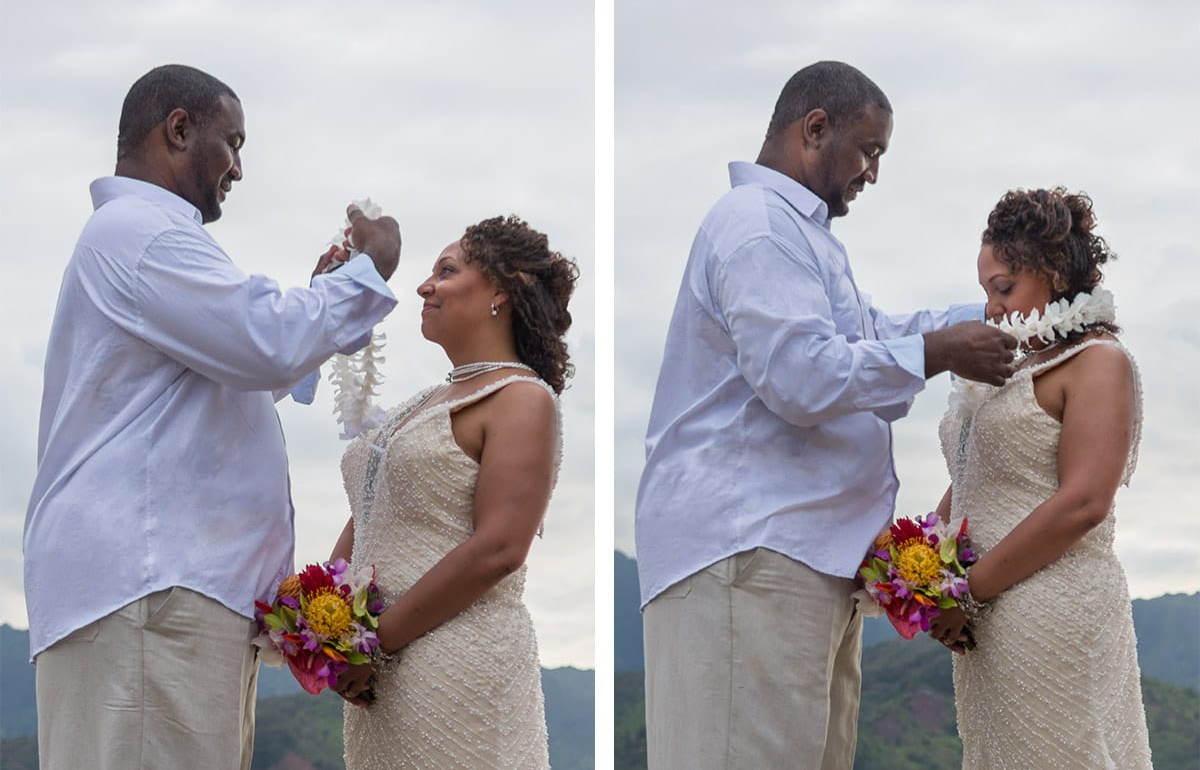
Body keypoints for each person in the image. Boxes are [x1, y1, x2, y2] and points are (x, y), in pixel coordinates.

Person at [634, 60, 1019, 770]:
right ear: (815, 128)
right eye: (869, 151)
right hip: (750, 550)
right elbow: (801, 377)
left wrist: (1008, 313)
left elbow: (872, 334)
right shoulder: (756, 227)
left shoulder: (798, 235)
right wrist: (938, 351)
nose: (873, 172)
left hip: (799, 558)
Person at [22, 64, 402, 770]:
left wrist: (314, 303)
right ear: (178, 129)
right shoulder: (145, 235)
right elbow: (265, 342)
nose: (239, 167)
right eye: (233, 143)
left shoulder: (135, 237)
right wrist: (367, 271)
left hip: (162, 593)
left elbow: (238, 369)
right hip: (151, 589)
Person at [326, 215, 578, 770]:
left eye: (446, 270)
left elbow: (500, 548)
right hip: (380, 688)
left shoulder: (522, 398)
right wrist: (323, 625)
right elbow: (371, 512)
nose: (424, 286)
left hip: (454, 669)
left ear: (501, 292)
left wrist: (376, 646)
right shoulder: (422, 403)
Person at [928, 188, 1153, 769]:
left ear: (1053, 273)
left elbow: (1083, 502)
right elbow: (977, 479)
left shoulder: (1098, 361)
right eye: (986, 293)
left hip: (1052, 618)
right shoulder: (1004, 369)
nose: (993, 308)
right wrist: (918, 567)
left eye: (1004, 288)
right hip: (988, 634)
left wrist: (968, 593)